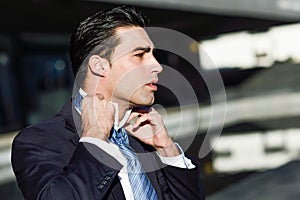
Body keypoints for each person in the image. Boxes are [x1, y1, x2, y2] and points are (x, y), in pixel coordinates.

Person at [11, 5, 205, 200]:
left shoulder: (146, 136)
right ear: (99, 66)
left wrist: (166, 148)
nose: (157, 66)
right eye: (139, 55)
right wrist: (95, 138)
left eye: (153, 55)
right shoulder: (38, 141)